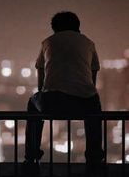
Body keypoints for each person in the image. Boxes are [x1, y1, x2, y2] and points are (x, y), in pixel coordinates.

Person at [24, 11, 104, 170]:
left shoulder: (47, 42)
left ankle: (31, 157)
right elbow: (92, 79)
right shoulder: (89, 43)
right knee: (95, 112)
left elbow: (41, 73)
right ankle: (94, 159)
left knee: (32, 104)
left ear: (54, 28)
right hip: (84, 103)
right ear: (77, 26)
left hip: (54, 102)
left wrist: (42, 94)